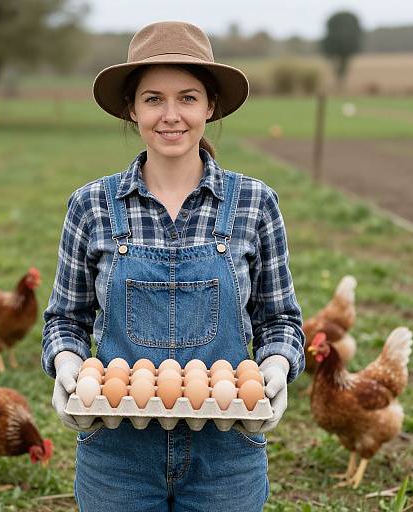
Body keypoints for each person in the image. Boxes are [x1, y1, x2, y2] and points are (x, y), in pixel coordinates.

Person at [42, 20, 305, 512]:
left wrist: (276, 364)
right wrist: (67, 364)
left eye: (187, 98)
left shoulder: (254, 203)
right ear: (132, 109)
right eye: (153, 99)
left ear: (210, 106)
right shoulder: (91, 205)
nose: (171, 115)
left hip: (227, 453)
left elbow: (280, 319)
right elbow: (65, 318)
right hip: (116, 452)